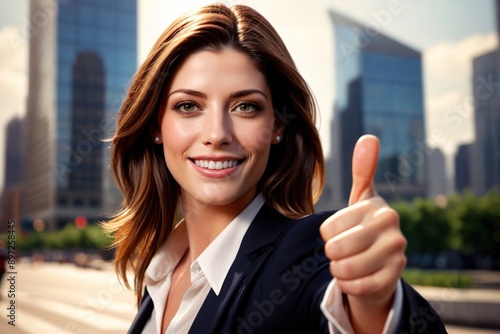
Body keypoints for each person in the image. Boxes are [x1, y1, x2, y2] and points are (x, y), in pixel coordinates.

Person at [105, 3, 446, 333]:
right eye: (188, 105)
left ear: (278, 125)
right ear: (156, 126)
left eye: (245, 106)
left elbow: (341, 305)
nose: (217, 134)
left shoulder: (306, 253)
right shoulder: (159, 273)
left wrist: (374, 306)